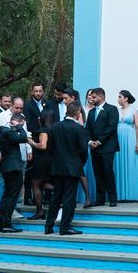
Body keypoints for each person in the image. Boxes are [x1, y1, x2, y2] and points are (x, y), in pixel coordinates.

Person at [46, 101, 90, 236]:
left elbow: (50, 147)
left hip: (58, 166)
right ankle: (65, 226)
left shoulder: (55, 126)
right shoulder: (78, 128)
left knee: (56, 196)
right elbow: (83, 149)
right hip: (73, 166)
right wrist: (82, 162)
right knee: (69, 197)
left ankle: (48, 225)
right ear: (77, 113)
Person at [0, 110, 29, 233]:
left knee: (7, 195)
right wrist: (19, 126)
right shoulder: (9, 132)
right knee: (12, 196)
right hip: (14, 166)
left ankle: (0, 223)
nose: (21, 127)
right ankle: (6, 224)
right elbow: (24, 138)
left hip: (6, 166)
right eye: (22, 124)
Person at [86, 87, 119, 207]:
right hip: (94, 148)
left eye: (94, 97)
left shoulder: (112, 109)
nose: (92, 99)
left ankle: (112, 198)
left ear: (101, 97)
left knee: (108, 171)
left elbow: (111, 127)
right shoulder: (91, 112)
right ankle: (99, 199)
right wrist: (90, 141)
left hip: (107, 147)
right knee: (97, 172)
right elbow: (87, 128)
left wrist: (99, 141)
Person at [113, 90, 138, 201]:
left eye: (120, 97)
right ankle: (119, 194)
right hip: (118, 138)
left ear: (126, 98)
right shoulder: (117, 111)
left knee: (131, 163)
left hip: (130, 138)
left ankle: (132, 194)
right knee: (119, 164)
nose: (118, 99)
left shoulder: (134, 111)